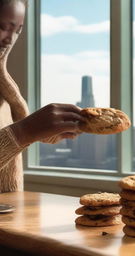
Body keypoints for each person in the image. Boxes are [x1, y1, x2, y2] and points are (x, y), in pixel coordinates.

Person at [0, 0, 85, 192]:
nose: (10, 39)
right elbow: (16, 134)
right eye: (3, 27)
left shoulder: (4, 87)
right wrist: (24, 131)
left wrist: (43, 131)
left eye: (18, 31)